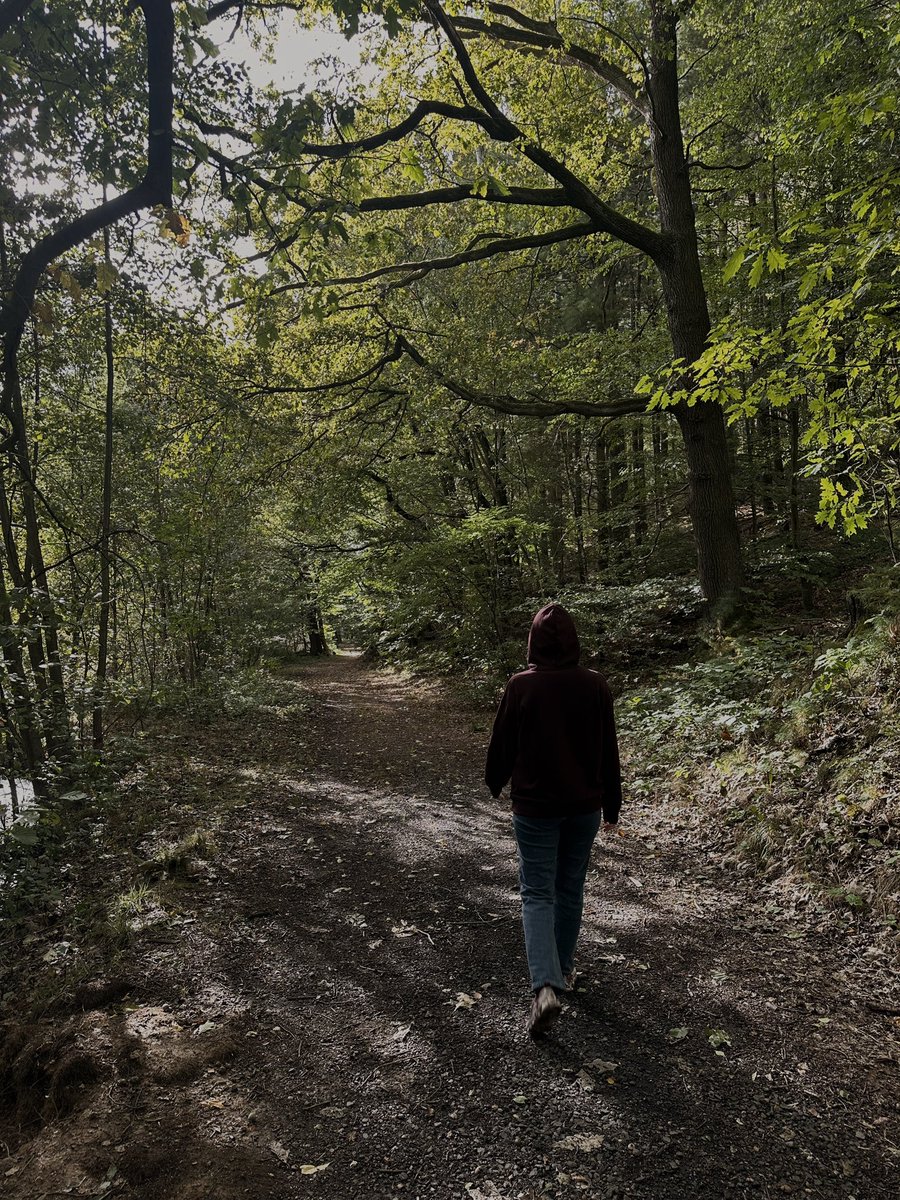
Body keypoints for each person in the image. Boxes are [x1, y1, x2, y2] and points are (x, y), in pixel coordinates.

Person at [485, 603, 622, 1037]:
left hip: (536, 809)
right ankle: (561, 971)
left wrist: (495, 780)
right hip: (584, 808)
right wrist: (612, 805)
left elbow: (502, 742)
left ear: (534, 642)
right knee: (569, 889)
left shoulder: (522, 686)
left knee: (537, 893)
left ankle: (545, 985)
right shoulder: (595, 686)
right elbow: (608, 750)